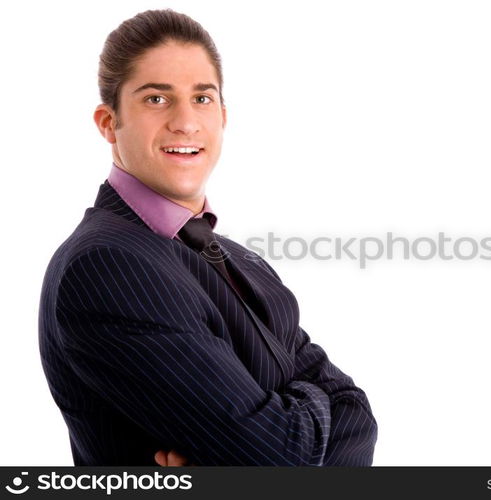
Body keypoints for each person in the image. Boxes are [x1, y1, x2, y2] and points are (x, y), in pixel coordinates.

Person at [38, 8, 378, 466]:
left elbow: (358, 416)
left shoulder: (239, 260)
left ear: (222, 115)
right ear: (108, 123)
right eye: (156, 99)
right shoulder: (106, 264)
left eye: (201, 98)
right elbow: (281, 458)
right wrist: (313, 405)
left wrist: (282, 431)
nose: (185, 122)